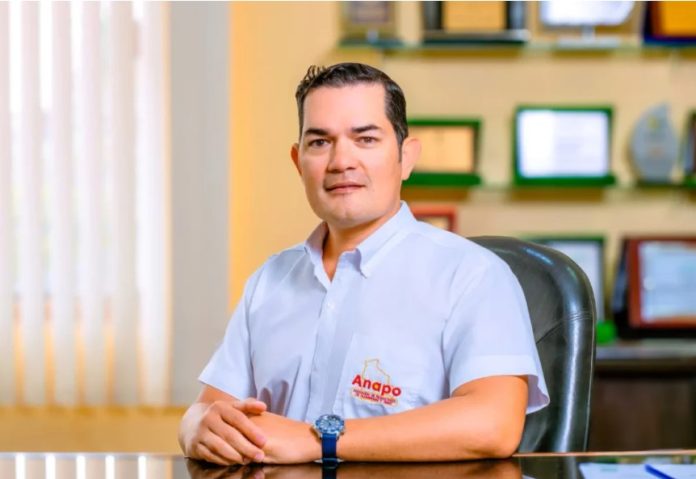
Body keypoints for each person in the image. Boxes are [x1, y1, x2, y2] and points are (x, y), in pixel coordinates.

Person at [178, 62, 549, 466]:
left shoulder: (473, 275)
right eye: (320, 142)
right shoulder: (271, 279)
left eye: (366, 139)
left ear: (406, 157)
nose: (341, 161)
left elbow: (493, 424)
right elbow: (210, 406)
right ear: (298, 161)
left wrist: (319, 440)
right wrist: (196, 427)